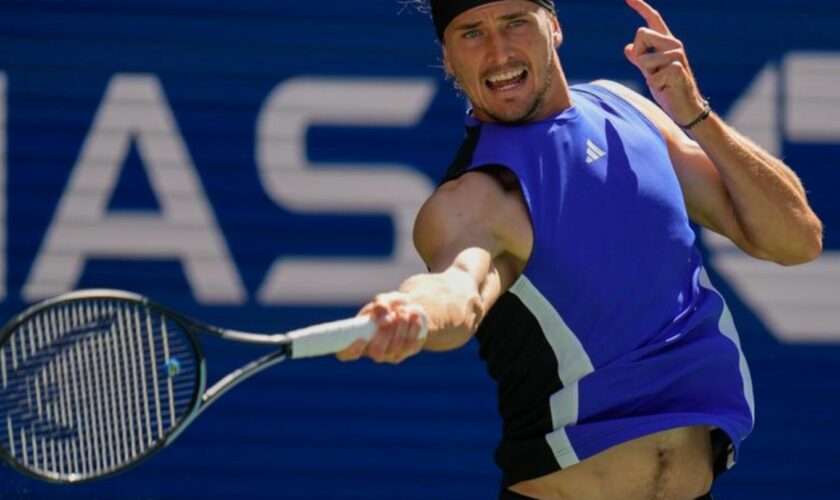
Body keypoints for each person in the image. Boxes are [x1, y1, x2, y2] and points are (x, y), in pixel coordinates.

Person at [338, 0, 823, 498]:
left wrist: (694, 111)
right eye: (471, 33)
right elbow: (458, 290)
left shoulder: (626, 107)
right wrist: (412, 311)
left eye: (514, 23)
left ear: (555, 26)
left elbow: (796, 239)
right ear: (447, 56)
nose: (498, 51)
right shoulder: (476, 198)